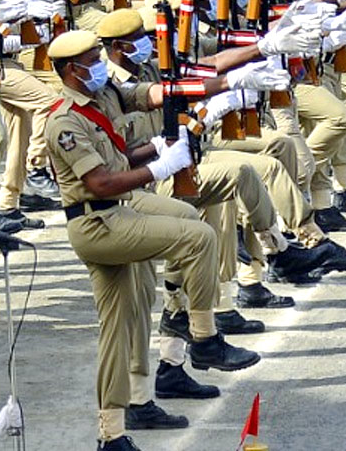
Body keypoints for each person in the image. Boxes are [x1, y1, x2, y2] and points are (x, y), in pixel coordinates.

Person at [44, 30, 259, 450]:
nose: (100, 64)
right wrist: (160, 169)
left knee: (119, 326)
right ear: (72, 69)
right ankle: (202, 335)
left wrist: (233, 79)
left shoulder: (102, 94)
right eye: (92, 59)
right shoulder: (64, 122)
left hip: (117, 212)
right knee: (197, 237)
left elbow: (157, 96)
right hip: (98, 223)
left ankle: (113, 433)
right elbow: (101, 183)